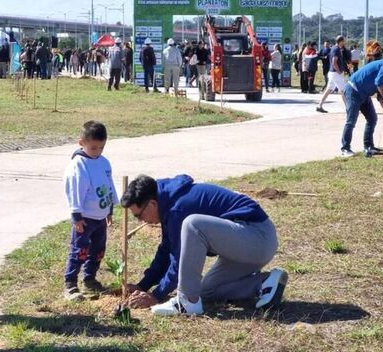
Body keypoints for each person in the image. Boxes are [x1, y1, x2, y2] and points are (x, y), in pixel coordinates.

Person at [121, 175, 287, 316]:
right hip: (246, 246)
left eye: (139, 215)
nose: (141, 221)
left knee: (193, 224)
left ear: (152, 204)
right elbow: (167, 250)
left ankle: (187, 301)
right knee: (207, 290)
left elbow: (178, 259)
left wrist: (157, 295)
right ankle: (264, 283)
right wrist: (143, 286)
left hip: (257, 238)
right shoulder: (168, 204)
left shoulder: (178, 207)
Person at [63, 121, 118, 301]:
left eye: (102, 147)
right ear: (81, 143)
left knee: (98, 249)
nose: (98, 151)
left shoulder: (104, 162)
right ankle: (70, 283)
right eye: (94, 148)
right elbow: (74, 190)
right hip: (85, 219)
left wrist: (109, 208)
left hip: (100, 217)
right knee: (80, 250)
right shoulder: (78, 165)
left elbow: (109, 185)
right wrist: (76, 215)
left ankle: (90, 278)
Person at [318, 36, 348, 113]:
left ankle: (319, 105)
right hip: (336, 73)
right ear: (341, 41)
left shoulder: (333, 48)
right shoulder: (336, 49)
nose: (344, 42)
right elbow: (334, 62)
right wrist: (339, 72)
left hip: (332, 73)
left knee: (329, 89)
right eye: (343, 41)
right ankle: (349, 108)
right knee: (343, 91)